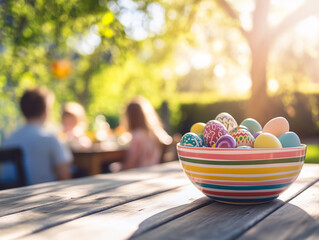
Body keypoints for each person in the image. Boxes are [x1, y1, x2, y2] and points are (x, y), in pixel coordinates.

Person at [1, 87, 73, 185]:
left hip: (12, 196)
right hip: (43, 195)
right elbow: (65, 176)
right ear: (46, 112)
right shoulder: (49, 138)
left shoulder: (9, 140)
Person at [122, 96, 172, 170]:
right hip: (154, 170)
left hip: (139, 172)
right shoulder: (157, 132)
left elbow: (130, 163)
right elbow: (169, 141)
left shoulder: (137, 135)